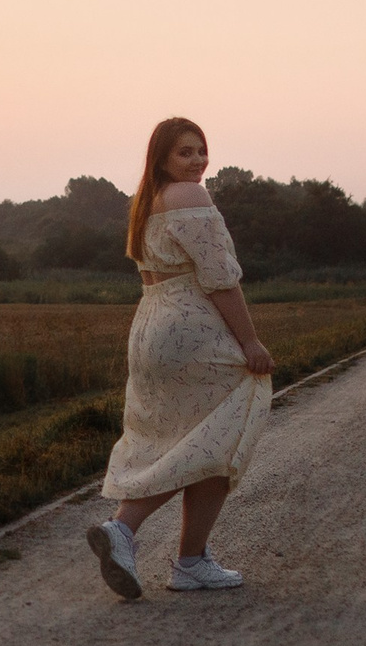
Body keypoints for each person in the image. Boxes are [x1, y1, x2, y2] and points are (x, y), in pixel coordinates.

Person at [86, 116, 276, 600]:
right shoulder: (190, 198)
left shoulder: (146, 203)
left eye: (201, 151)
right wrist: (251, 341)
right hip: (194, 330)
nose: (197, 162)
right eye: (184, 153)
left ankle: (186, 557)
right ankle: (132, 532)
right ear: (162, 158)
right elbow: (219, 278)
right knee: (221, 434)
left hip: (152, 327)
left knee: (187, 437)